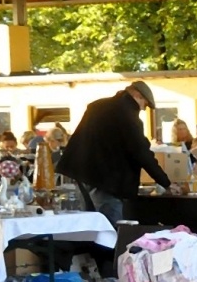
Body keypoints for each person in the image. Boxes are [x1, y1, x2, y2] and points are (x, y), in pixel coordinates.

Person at [55, 80, 175, 224]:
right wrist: (165, 182)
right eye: (145, 104)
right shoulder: (128, 115)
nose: (143, 109)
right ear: (137, 95)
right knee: (112, 230)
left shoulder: (97, 106)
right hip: (106, 181)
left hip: (80, 173)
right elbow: (141, 152)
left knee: (88, 227)